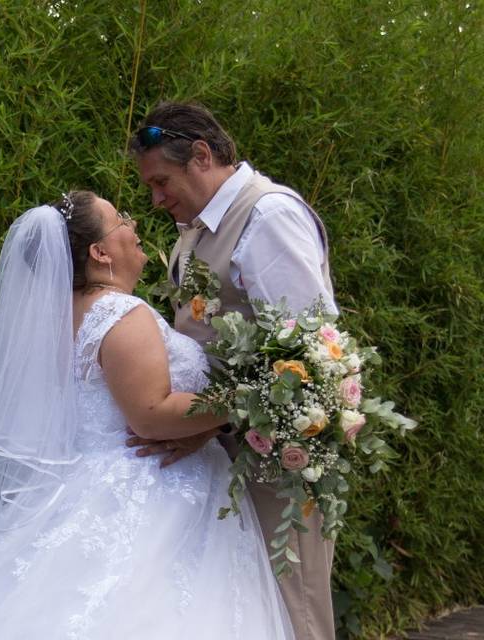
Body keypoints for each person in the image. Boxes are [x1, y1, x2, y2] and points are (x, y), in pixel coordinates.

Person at [0, 191, 294, 639]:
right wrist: (258, 399)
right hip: (154, 489)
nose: (134, 224)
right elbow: (150, 414)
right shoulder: (121, 312)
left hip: (87, 478)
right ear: (100, 252)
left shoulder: (61, 314)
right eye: (120, 219)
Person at [126, 101, 338, 640]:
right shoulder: (196, 228)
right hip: (227, 453)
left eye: (161, 181)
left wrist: (209, 422)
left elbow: (308, 358)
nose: (155, 198)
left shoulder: (268, 216)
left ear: (200, 155)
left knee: (292, 607)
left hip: (280, 458)